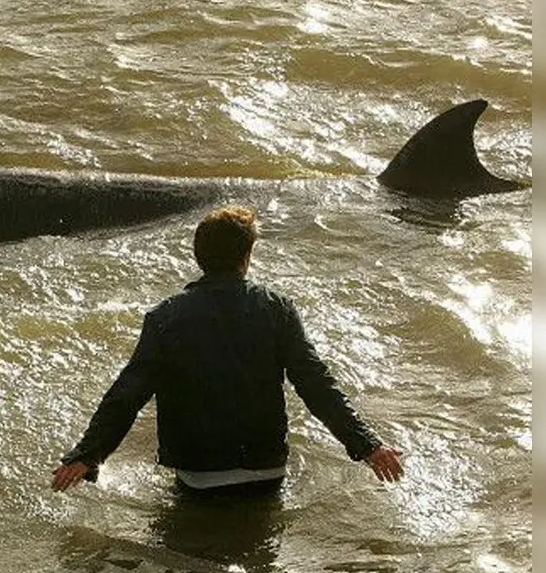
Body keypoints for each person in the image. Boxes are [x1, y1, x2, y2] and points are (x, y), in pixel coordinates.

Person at [52, 205, 403, 495]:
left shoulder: (166, 317)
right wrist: (368, 445)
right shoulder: (277, 310)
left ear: (198, 256)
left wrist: (87, 455)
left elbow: (127, 395)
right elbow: (316, 385)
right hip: (268, 470)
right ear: (247, 256)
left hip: (200, 475)